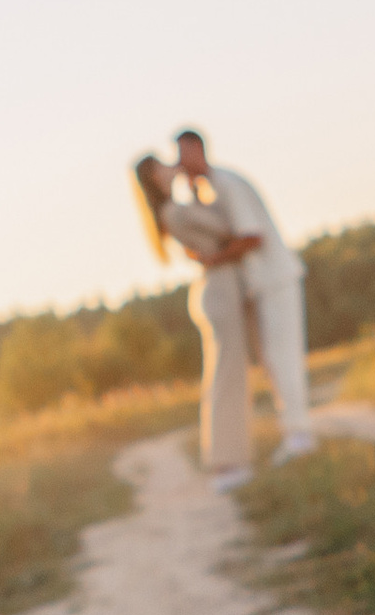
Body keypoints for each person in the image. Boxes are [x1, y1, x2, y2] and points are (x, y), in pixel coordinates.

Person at [172, 129, 313, 459]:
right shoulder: (211, 190)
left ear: (198, 148)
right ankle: (294, 431)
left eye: (182, 154)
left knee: (282, 357)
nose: (179, 164)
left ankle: (300, 435)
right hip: (258, 286)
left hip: (274, 279)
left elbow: (252, 237)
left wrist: (214, 259)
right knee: (271, 359)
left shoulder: (227, 184)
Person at [133, 154, 260, 486]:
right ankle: (228, 464)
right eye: (161, 165)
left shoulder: (174, 210)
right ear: (155, 179)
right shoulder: (176, 211)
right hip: (219, 289)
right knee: (227, 376)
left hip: (217, 288)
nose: (169, 165)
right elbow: (227, 228)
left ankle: (228, 459)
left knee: (225, 374)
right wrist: (200, 190)